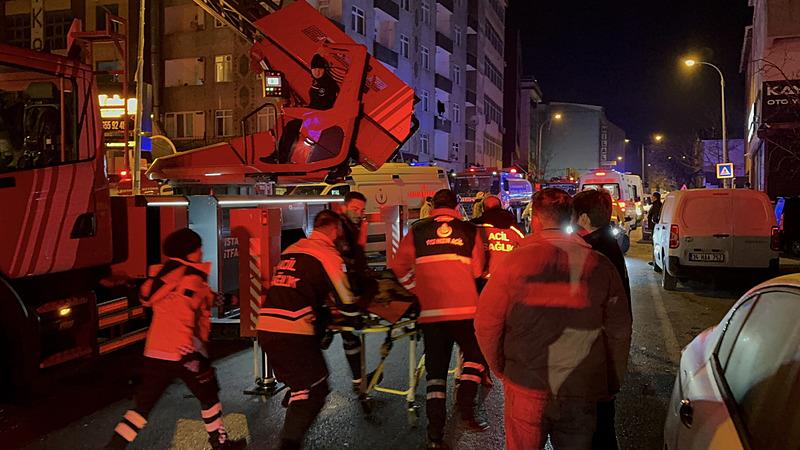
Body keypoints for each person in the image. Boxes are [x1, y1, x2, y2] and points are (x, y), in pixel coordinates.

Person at [475, 188, 632, 450]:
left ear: (535, 219)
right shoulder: (600, 265)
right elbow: (619, 331)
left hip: (526, 386)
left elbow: (486, 324)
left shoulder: (512, 264)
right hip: (579, 387)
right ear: (570, 218)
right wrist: (611, 381)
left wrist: (502, 369)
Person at [106, 229, 243, 449]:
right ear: (189, 252)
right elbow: (185, 311)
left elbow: (204, 298)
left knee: (142, 407)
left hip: (155, 351)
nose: (201, 252)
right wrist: (190, 351)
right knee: (208, 394)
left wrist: (232, 299)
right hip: (183, 351)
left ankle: (114, 446)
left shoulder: (164, 276)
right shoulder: (191, 277)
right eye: (198, 248)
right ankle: (220, 444)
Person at [391, 189, 488, 449]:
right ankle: (466, 405)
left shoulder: (417, 231)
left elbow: (399, 267)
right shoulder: (470, 231)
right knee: (476, 357)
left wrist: (416, 287)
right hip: (465, 311)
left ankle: (435, 435)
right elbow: (478, 270)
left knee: (435, 374)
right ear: (456, 206)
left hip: (432, 313)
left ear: (433, 205)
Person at [256, 210, 360, 450]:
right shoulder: (328, 254)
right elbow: (346, 300)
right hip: (292, 330)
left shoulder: (292, 250)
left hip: (268, 327)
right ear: (335, 230)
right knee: (315, 388)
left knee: (302, 384)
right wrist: (355, 320)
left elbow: (296, 289)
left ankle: (295, 401)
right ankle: (288, 444)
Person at [572, 189, 632, 450]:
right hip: (606, 343)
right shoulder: (608, 242)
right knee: (602, 418)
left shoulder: (593, 250)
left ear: (584, 218)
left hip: (595, 345)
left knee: (596, 424)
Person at [264, 53, 340, 164]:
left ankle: (281, 157)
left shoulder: (326, 85)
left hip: (319, 118)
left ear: (324, 69)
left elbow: (322, 105)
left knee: (291, 127)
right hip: (316, 116)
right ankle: (280, 156)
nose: (317, 72)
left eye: (319, 69)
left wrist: (305, 112)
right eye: (315, 69)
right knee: (291, 126)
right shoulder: (318, 82)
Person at [336, 191, 377, 389]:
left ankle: (358, 379)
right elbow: (347, 260)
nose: (359, 213)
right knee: (350, 333)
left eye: (361, 210)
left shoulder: (351, 226)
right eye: (355, 209)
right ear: (343, 207)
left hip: (347, 289)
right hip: (342, 289)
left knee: (351, 337)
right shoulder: (340, 227)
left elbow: (358, 252)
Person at [471, 195, 525, 292]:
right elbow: (525, 250)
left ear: (483, 209)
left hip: (482, 281)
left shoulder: (475, 228)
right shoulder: (514, 229)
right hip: (507, 280)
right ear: (501, 207)